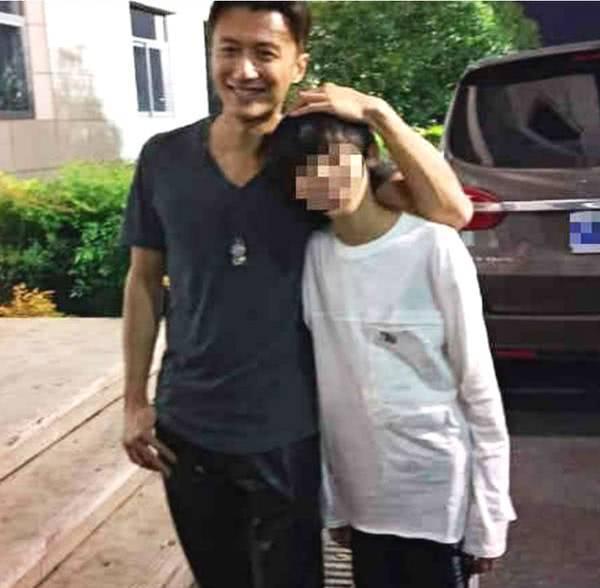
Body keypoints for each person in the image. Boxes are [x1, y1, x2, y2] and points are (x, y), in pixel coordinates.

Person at [120, 2, 473, 587]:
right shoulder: (164, 157)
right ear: (210, 54)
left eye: (265, 53)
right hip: (188, 426)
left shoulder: (315, 158)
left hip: (290, 429)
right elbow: (142, 279)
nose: (244, 70)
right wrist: (135, 398)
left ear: (298, 64)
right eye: (229, 50)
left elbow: (451, 210)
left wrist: (377, 112)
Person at [268, 112, 516, 588]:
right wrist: (335, 502)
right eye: (302, 170)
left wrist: (488, 517)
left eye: (332, 160)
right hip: (363, 500)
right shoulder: (315, 256)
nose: (321, 179)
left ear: (369, 156)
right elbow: (329, 391)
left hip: (436, 497)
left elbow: (479, 387)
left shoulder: (432, 246)